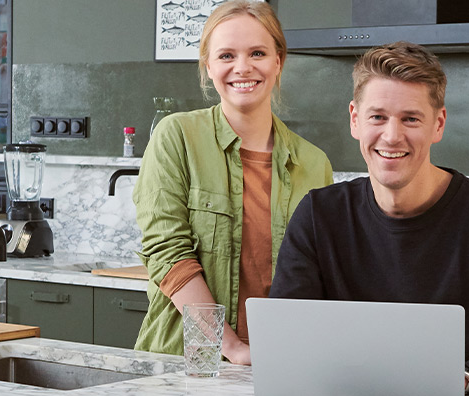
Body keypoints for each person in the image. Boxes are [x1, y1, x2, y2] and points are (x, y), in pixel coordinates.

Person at [268, 42, 469, 396]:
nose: (392, 136)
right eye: (378, 117)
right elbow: (287, 345)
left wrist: (463, 378)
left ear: (438, 124)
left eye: (410, 119)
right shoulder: (318, 215)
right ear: (355, 120)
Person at [133, 0, 334, 364]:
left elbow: (323, 276)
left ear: (279, 61)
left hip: (282, 361)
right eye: (226, 55)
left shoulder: (314, 163)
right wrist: (230, 346)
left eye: (257, 52)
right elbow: (167, 253)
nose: (243, 67)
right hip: (184, 363)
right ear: (208, 66)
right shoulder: (176, 136)